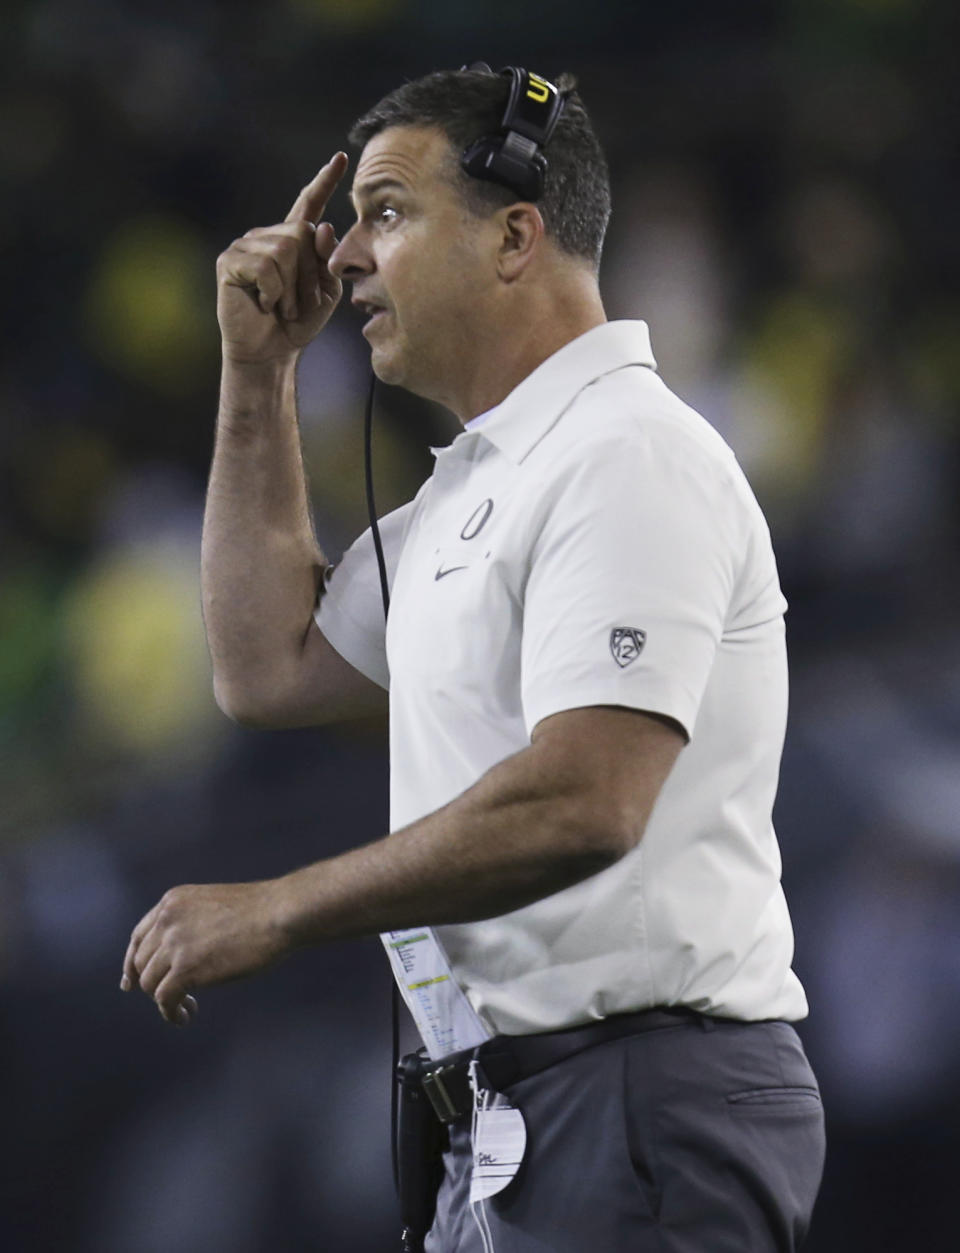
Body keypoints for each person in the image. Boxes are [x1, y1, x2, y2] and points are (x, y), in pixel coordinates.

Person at [121, 66, 826, 1252]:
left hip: (640, 1091)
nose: (342, 257)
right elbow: (266, 668)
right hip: (511, 1109)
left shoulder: (626, 454)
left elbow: (588, 798)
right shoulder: (475, 489)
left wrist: (283, 907)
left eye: (387, 212)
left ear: (515, 234)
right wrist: (258, 375)